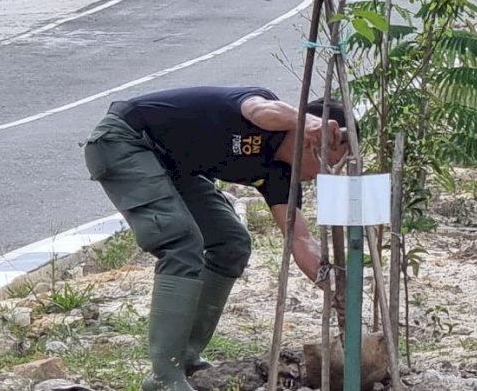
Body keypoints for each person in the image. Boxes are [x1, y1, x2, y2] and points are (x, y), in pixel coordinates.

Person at [82, 86, 348, 391]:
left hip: (172, 167)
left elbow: (300, 239)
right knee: (181, 243)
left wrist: (335, 286)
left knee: (231, 242)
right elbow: (258, 110)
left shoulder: (281, 174)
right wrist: (308, 121)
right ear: (314, 139)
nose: (324, 174)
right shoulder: (268, 115)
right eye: (328, 160)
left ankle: (186, 358)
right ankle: (164, 377)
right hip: (126, 140)